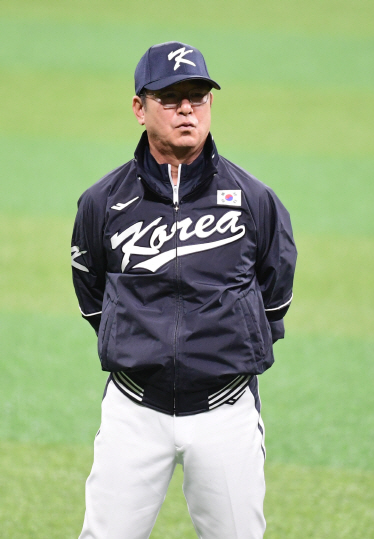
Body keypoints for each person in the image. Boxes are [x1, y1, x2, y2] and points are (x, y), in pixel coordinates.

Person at [70, 41, 296, 539]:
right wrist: (136, 343)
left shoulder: (254, 200)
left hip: (226, 411)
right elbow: (92, 293)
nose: (188, 109)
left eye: (199, 96)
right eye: (171, 98)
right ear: (139, 107)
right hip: (134, 411)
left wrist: (224, 348)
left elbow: (274, 294)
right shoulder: (102, 203)